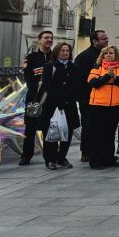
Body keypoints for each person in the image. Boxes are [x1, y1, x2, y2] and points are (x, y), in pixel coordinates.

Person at [86, 45, 119, 170]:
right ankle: (95, 160)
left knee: (110, 133)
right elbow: (93, 83)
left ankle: (108, 158)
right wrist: (107, 76)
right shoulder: (97, 68)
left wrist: (115, 77)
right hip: (98, 105)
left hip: (116, 105)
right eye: (106, 53)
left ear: (116, 55)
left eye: (111, 53)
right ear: (102, 56)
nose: (109, 55)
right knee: (97, 134)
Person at [39, 42, 80, 170]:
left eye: (67, 51)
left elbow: (76, 85)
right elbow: (47, 85)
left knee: (67, 133)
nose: (65, 53)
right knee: (50, 132)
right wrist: (58, 98)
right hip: (52, 105)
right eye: (62, 50)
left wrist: (67, 96)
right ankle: (50, 159)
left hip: (69, 105)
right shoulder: (50, 66)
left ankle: (61, 157)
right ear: (57, 52)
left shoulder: (73, 67)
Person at [21, 30, 54, 165]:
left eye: (51, 38)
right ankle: (26, 156)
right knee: (30, 128)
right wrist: (37, 92)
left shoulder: (55, 57)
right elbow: (28, 77)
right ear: (39, 40)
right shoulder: (31, 57)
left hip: (50, 98)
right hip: (34, 97)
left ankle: (49, 158)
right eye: (46, 38)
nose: (49, 40)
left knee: (48, 128)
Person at [74, 30, 107, 163]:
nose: (107, 40)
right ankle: (86, 152)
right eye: (103, 39)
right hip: (87, 98)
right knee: (88, 126)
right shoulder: (84, 56)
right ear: (94, 41)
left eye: (106, 38)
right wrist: (83, 98)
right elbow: (79, 79)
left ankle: (100, 151)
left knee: (101, 126)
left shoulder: (105, 55)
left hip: (102, 98)